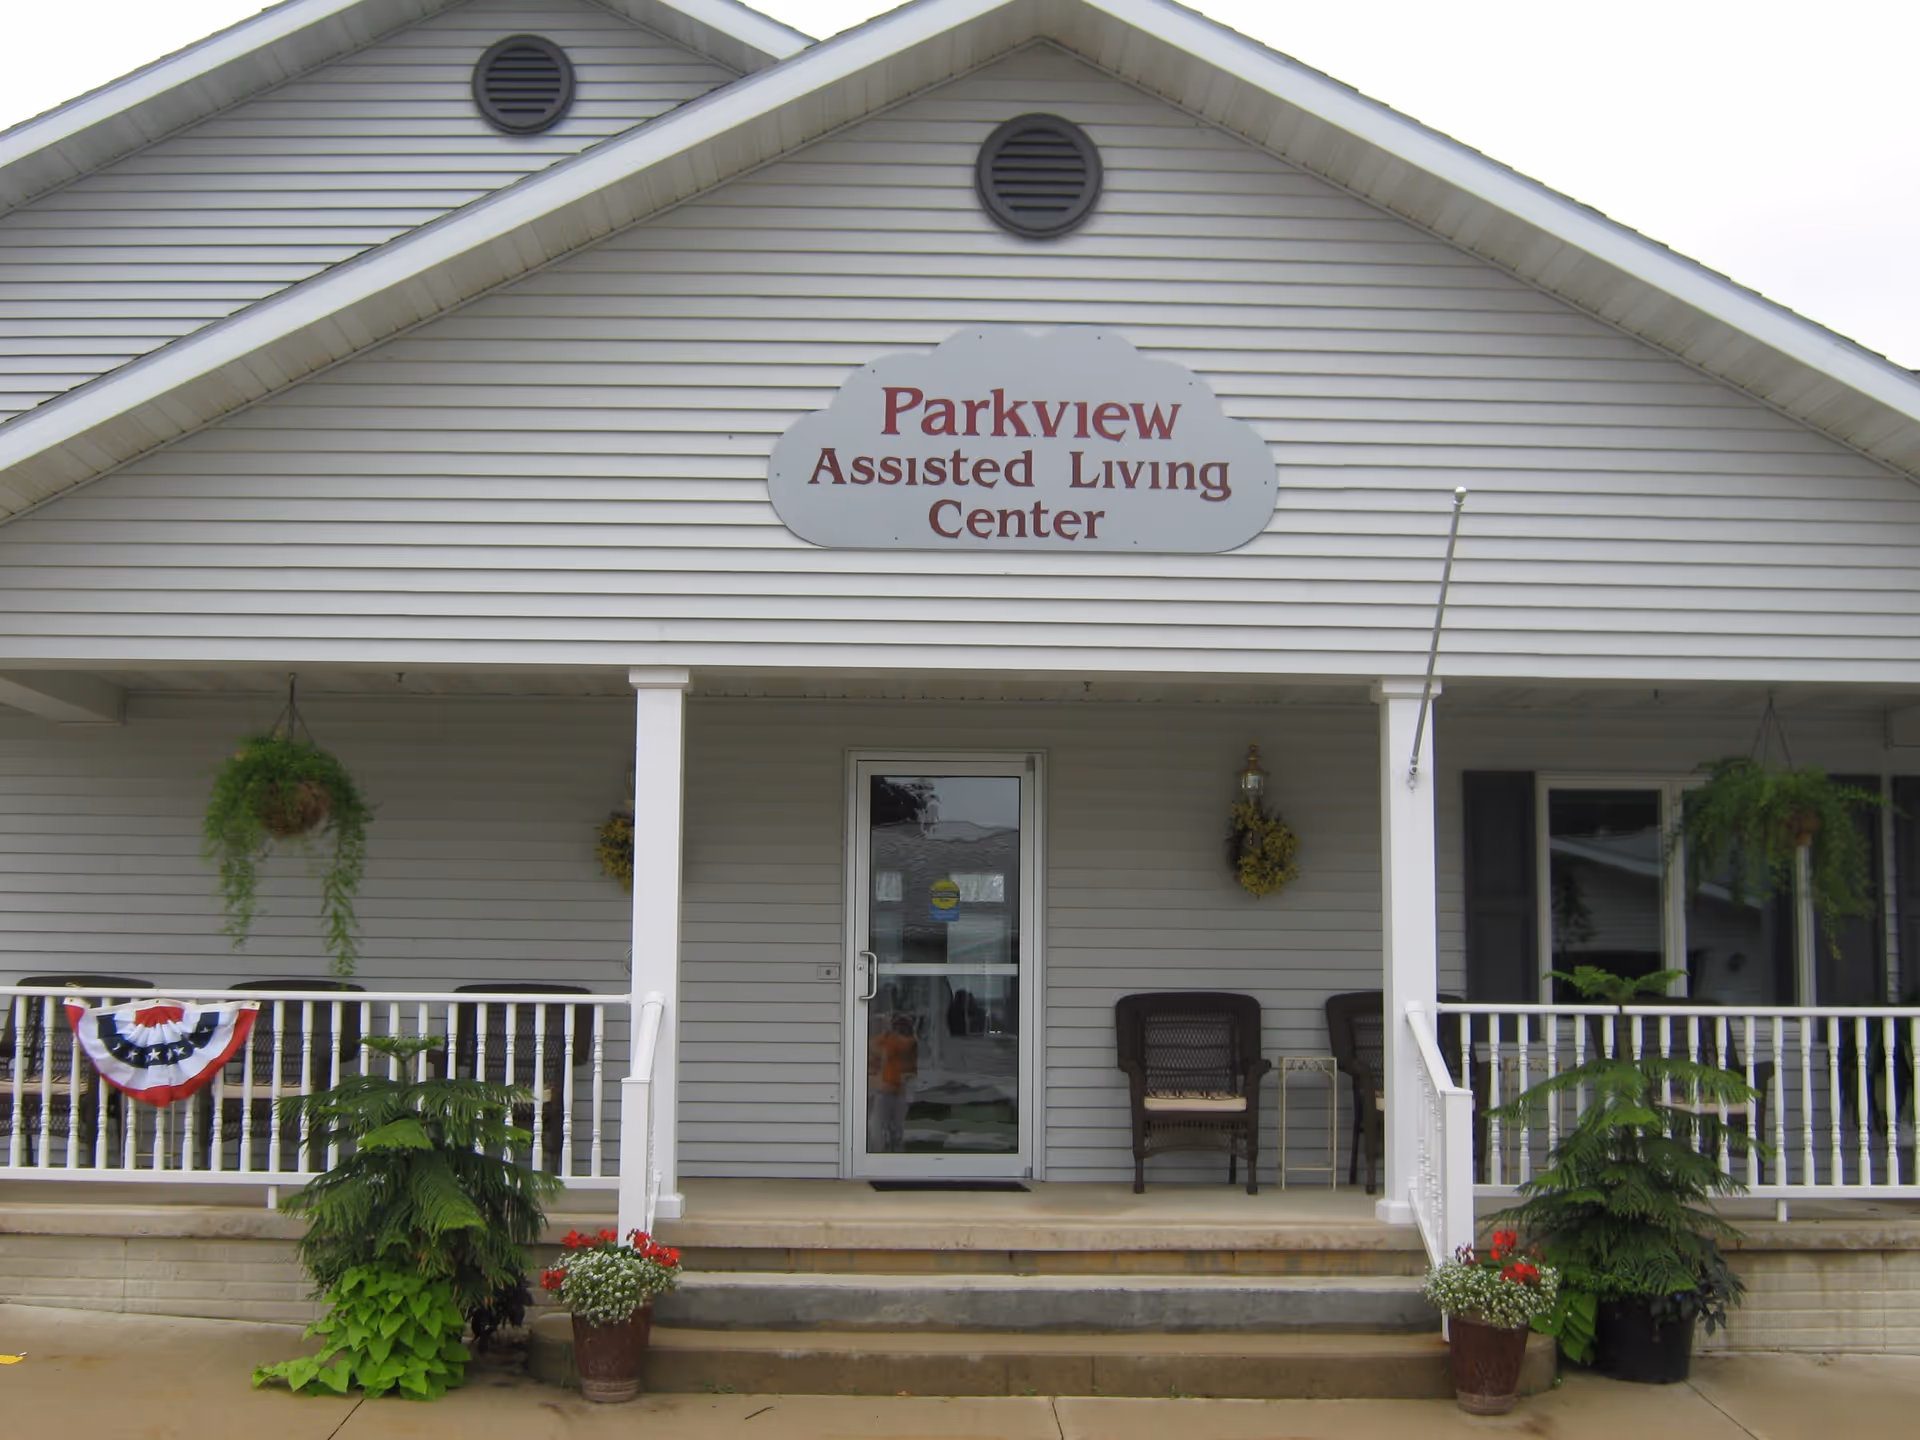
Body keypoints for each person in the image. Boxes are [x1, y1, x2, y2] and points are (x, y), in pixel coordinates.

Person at [866, 1011, 918, 1152]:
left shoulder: (894, 1042)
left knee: (879, 1126)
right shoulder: (909, 1043)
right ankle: (894, 1150)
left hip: (887, 1091)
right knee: (895, 1127)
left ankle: (881, 1152)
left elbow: (874, 1045)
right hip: (896, 1092)